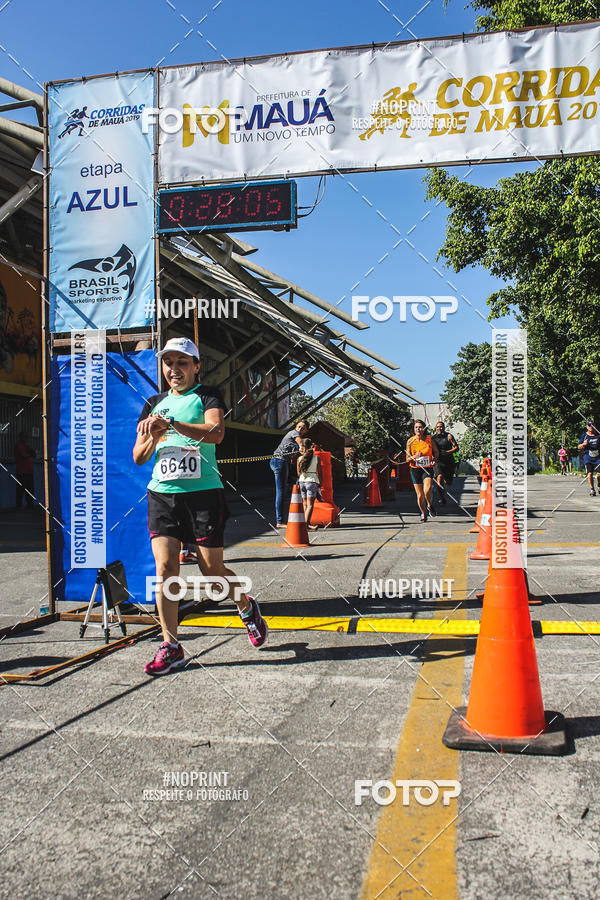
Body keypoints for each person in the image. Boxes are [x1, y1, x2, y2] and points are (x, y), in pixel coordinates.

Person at [133, 337, 267, 676]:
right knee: (165, 569)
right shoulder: (153, 402)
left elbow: (216, 432)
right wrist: (152, 436)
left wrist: (172, 425)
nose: (174, 370)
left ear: (195, 366)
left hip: (203, 494)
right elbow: (138, 457)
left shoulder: (207, 395)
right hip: (163, 494)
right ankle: (171, 645)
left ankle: (246, 606)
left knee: (213, 573)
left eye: (182, 363)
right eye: (169, 363)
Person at [270, 419, 308, 526]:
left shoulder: (295, 440)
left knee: (283, 490)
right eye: (299, 426)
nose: (300, 428)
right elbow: (300, 443)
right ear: (296, 426)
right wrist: (305, 451)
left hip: (281, 461)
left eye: (303, 428)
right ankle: (280, 521)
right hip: (279, 461)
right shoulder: (294, 433)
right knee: (281, 491)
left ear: (306, 431)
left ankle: (280, 520)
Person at [406, 420, 439, 523]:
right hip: (415, 469)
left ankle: (429, 505)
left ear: (424, 429)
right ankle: (423, 513)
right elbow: (407, 459)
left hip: (427, 468)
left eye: (420, 427)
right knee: (420, 495)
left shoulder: (430, 440)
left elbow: (436, 452)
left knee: (428, 489)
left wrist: (434, 459)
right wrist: (414, 457)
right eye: (416, 427)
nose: (418, 429)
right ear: (414, 429)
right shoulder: (410, 441)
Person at [297, 438, 323, 530]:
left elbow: (298, 473)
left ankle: (304, 523)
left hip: (302, 481)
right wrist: (320, 482)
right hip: (312, 481)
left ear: (303, 447)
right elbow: (320, 472)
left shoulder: (299, 458)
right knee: (310, 505)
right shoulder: (316, 458)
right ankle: (306, 524)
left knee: (304, 504)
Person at [431, 421, 459, 505]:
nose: (439, 428)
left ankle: (447, 481)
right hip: (438, 461)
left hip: (449, 461)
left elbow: (457, 448)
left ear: (444, 428)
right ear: (435, 428)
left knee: (448, 482)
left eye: (441, 427)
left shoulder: (449, 436)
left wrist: (448, 452)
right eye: (437, 427)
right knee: (439, 478)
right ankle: (442, 498)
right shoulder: (433, 438)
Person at [578, 421, 600, 496]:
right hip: (588, 457)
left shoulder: (598, 435)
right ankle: (592, 489)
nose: (591, 426)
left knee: (599, 475)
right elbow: (579, 446)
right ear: (587, 426)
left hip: (597, 457)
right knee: (590, 474)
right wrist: (584, 444)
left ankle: (599, 486)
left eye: (592, 425)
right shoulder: (584, 436)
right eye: (589, 425)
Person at [14, 431, 35, 509]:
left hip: (29, 470)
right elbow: (24, 455)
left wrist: (30, 453)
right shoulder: (19, 445)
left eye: (26, 437)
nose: (25, 438)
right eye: (24, 437)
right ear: (20, 437)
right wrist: (30, 454)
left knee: (30, 489)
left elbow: (34, 454)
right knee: (20, 489)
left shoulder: (27, 446)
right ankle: (19, 505)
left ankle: (30, 504)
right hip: (21, 471)